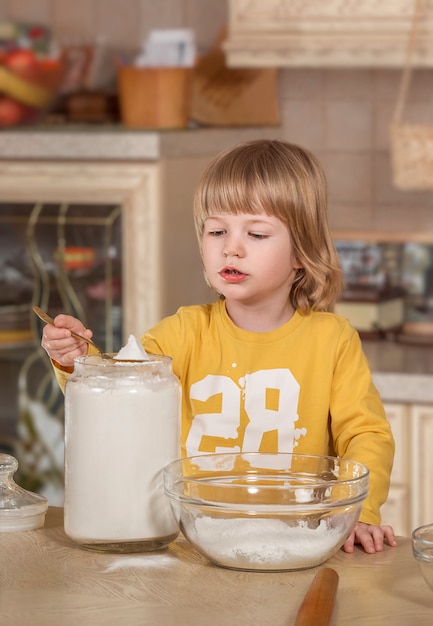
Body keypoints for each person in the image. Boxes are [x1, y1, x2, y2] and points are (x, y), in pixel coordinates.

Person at [41, 139, 397, 555]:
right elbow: (122, 396)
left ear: (302, 251)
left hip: (298, 544)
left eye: (257, 233)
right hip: (194, 545)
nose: (232, 247)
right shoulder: (184, 332)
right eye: (217, 231)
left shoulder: (332, 340)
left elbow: (367, 435)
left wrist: (361, 512)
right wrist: (78, 361)